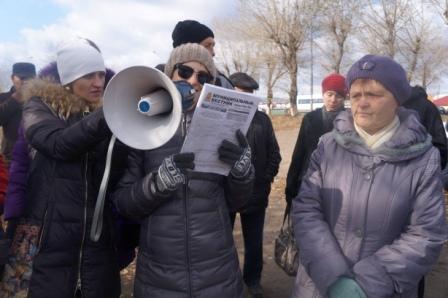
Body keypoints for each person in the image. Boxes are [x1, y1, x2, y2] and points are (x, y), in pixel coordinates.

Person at [292, 54, 447, 298]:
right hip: (319, 288)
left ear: (397, 100)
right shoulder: (328, 146)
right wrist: (332, 276)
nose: (361, 103)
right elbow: (306, 210)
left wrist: (368, 283)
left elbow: (426, 234)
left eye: (373, 94)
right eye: (355, 95)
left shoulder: (424, 159)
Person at [112, 43, 254, 297]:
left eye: (203, 76)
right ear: (169, 74)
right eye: (185, 71)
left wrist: (242, 172)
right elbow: (125, 203)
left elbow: (237, 202)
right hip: (160, 277)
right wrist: (158, 184)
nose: (194, 81)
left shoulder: (227, 126)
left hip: (217, 273)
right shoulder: (141, 127)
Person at [1, 38, 122, 297]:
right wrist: (109, 113)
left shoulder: (103, 116)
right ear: (69, 78)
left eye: (101, 74)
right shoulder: (39, 106)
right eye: (89, 75)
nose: (99, 83)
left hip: (94, 246)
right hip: (45, 240)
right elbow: (58, 144)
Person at [228, 72, 281, 298]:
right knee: (223, 241)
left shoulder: (262, 120)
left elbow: (275, 154)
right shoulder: (223, 117)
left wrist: (265, 180)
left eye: (249, 95)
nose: (246, 99)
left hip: (256, 193)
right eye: (241, 94)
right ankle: (228, 280)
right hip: (225, 193)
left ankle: (253, 280)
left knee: (253, 242)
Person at [285, 73, 347, 204]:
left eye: (339, 95)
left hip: (340, 183)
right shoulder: (310, 118)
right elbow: (299, 153)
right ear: (323, 94)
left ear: (345, 97)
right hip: (310, 178)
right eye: (329, 94)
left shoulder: (352, 120)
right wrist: (291, 184)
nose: (333, 99)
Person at [172, 19, 234, 89]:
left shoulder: (223, 83)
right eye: (207, 45)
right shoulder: (159, 78)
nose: (213, 53)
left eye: (203, 77)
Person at [0, 62, 36, 166]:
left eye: (30, 79)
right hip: (10, 158)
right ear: (12, 78)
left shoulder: (39, 99)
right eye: (22, 78)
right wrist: (14, 100)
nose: (25, 82)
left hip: (35, 158)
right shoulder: (3, 98)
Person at [403, 85, 447, 169]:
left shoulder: (395, 104)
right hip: (424, 167)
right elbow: (440, 139)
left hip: (393, 168)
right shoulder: (430, 107)